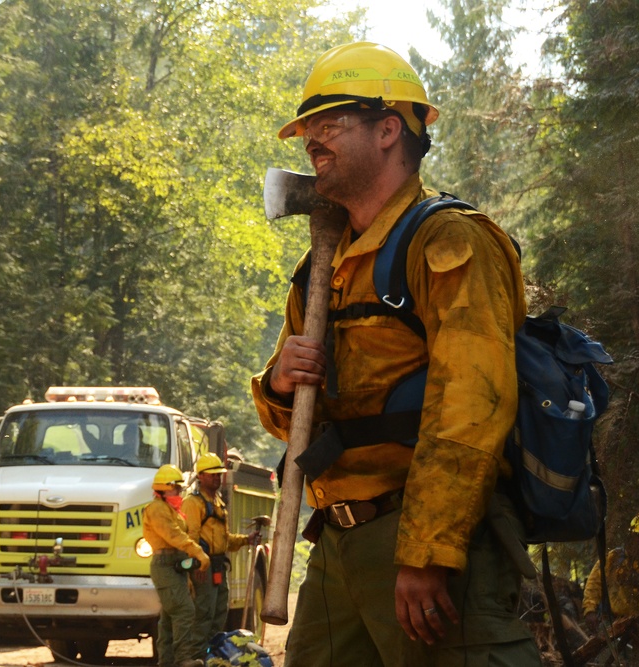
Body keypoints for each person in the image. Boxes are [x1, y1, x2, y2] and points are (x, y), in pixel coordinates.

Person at [251, 41, 540, 666]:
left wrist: (427, 551)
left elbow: (474, 402)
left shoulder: (450, 240)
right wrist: (278, 384)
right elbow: (288, 421)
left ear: (389, 129)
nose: (310, 141)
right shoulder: (319, 270)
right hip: (336, 546)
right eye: (306, 130)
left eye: (329, 124)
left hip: (422, 538)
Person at [182, 452, 260, 647]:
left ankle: (212, 655)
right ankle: (196, 656)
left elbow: (225, 540)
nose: (217, 478)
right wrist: (198, 564)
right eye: (212, 474)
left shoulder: (218, 503)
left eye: (219, 474)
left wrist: (246, 540)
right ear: (200, 476)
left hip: (218, 566)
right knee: (203, 615)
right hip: (204, 566)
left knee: (219, 614)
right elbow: (190, 537)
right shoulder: (193, 503)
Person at [582, 512, 639, 663]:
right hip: (612, 622)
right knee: (605, 660)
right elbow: (594, 584)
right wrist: (589, 610)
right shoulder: (613, 558)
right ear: (635, 537)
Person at [142, 464, 210, 667]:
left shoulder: (172, 510)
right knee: (183, 610)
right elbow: (174, 535)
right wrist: (197, 551)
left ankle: (167, 661)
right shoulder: (156, 509)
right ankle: (182, 660)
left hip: (176, 563)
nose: (179, 492)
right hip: (164, 565)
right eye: (176, 488)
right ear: (163, 489)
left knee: (169, 615)